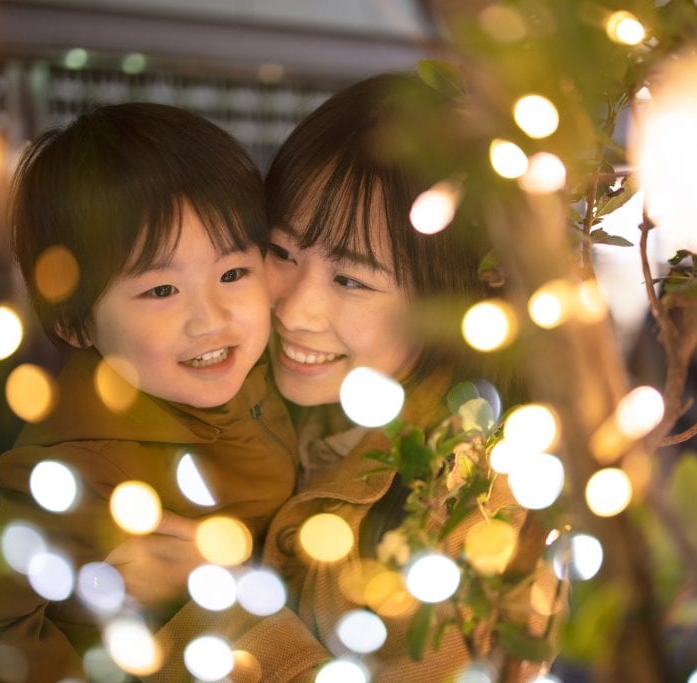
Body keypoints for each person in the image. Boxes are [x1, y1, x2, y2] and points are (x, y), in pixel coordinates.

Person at [155, 75, 562, 682]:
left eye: (351, 280)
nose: (294, 309)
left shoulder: (474, 504)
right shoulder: (246, 396)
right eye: (282, 253)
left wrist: (213, 600)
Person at [0, 103, 327, 681]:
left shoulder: (263, 365)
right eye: (162, 289)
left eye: (233, 273)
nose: (211, 318)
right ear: (77, 324)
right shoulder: (79, 470)